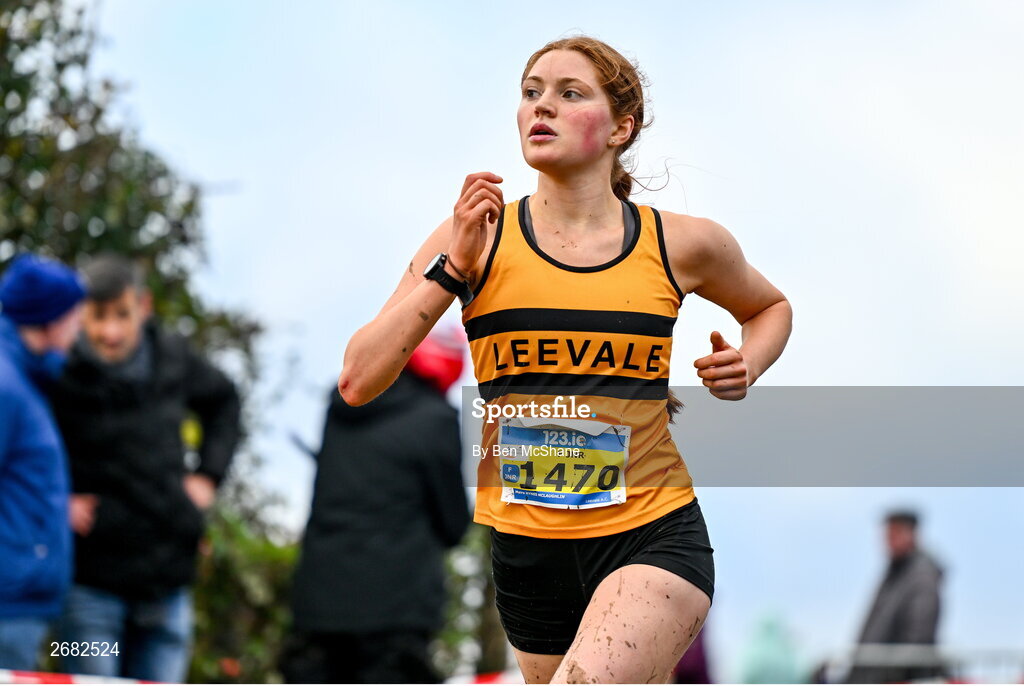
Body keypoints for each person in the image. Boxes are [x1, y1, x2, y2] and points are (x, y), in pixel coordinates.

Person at [339, 36, 792, 684]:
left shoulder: (682, 243)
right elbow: (358, 378)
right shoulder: (476, 235)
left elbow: (771, 307)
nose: (541, 107)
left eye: (569, 93)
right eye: (531, 93)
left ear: (620, 127)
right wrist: (453, 272)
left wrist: (749, 362)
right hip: (529, 556)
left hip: (652, 532)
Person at [47, 254, 241, 682]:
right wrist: (52, 500)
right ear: (79, 314)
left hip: (168, 584)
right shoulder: (57, 370)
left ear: (144, 307)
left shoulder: (173, 357)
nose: (110, 332)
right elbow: (21, 443)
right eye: (97, 317)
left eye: (122, 315)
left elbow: (226, 401)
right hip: (88, 590)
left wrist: (208, 476)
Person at [282, 327, 470, 684]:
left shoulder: (341, 405)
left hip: (320, 604)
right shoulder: (436, 418)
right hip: (397, 613)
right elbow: (453, 523)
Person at [0, 254, 86, 671]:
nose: (79, 328)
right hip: (7, 606)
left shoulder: (28, 383)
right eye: (74, 316)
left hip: (24, 606)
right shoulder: (6, 385)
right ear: (51, 319)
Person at [847, 510, 944, 683]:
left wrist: (892, 674)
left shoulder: (921, 577)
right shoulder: (894, 574)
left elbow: (918, 636)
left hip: (896, 677)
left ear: (911, 534)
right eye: (887, 535)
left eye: (894, 534)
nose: (888, 542)